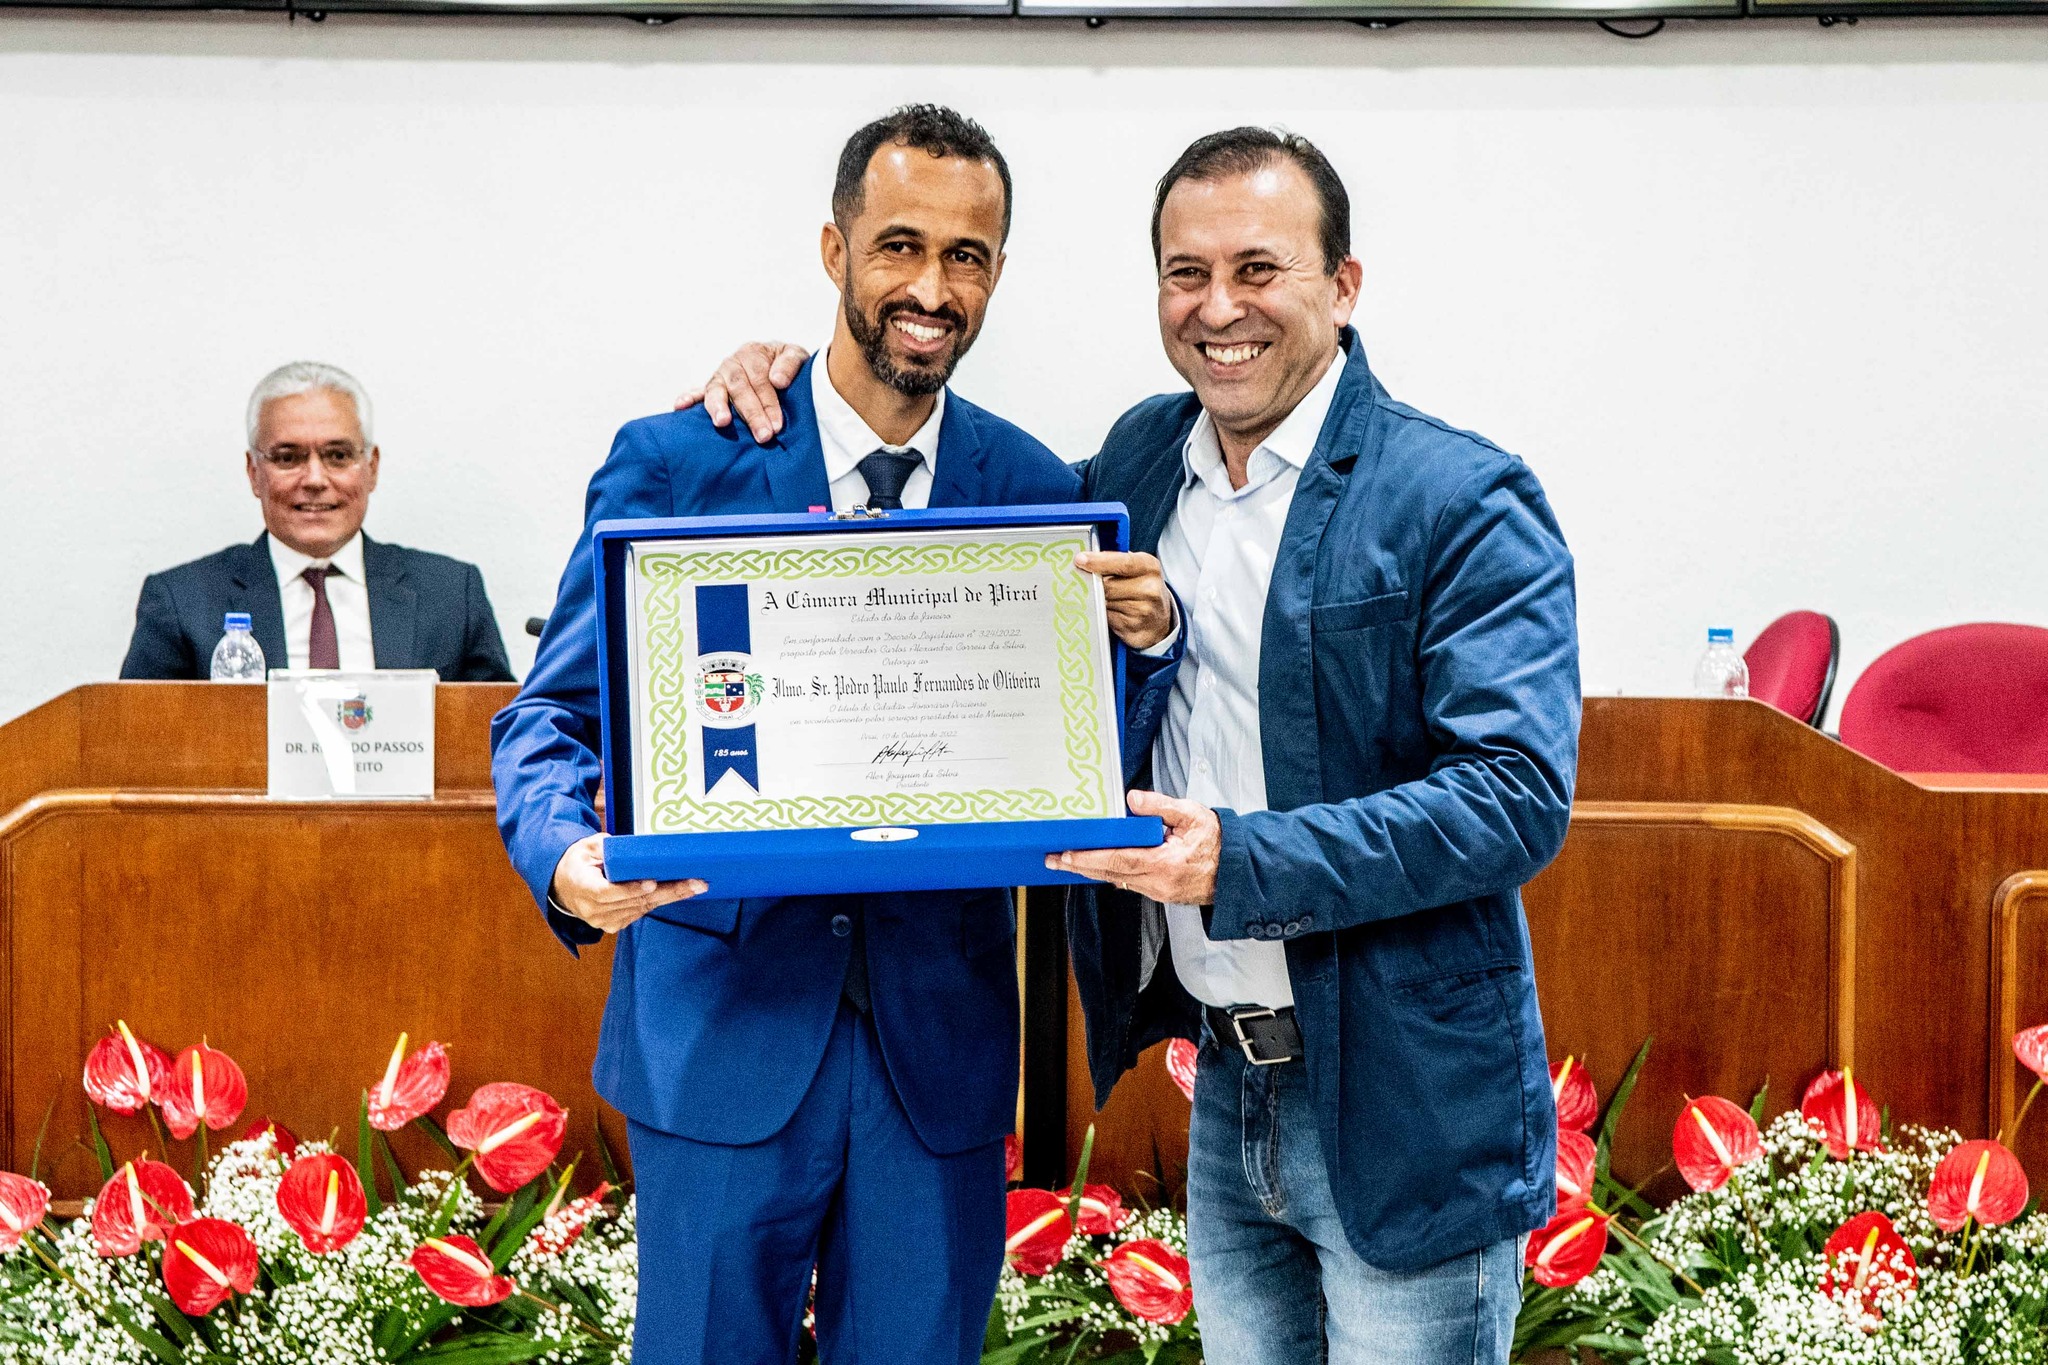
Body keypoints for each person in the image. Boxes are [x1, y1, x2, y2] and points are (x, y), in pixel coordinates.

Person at [680, 127, 1580, 1365]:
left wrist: (1234, 861)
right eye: (1184, 274)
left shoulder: (1459, 496)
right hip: (1226, 1079)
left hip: (1403, 1097)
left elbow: (1512, 797)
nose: (1218, 309)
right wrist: (789, 385)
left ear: (1342, 286)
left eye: (1257, 270)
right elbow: (945, 520)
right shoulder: (1140, 465)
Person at [490, 105, 1178, 1365]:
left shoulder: (1039, 491)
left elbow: (1083, 757)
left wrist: (1147, 642)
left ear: (997, 274)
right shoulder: (681, 462)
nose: (930, 289)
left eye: (965, 257)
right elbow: (550, 714)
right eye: (898, 246)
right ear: (833, 250)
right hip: (721, 1034)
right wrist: (563, 859)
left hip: (938, 1055)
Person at [119, 360, 514, 681]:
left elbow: (498, 737)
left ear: (371, 468)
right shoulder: (181, 602)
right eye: (288, 458)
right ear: (254, 473)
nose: (314, 479)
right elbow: (132, 743)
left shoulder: (450, 595)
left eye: (338, 456)